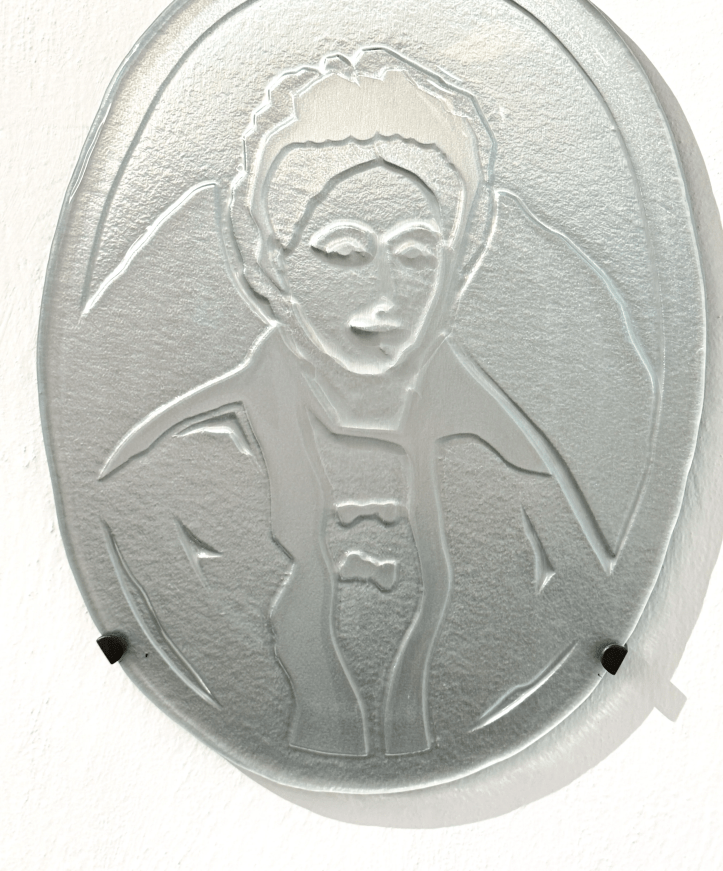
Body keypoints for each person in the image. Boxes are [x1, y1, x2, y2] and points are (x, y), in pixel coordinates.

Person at [100, 47, 614, 758]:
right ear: (267, 265)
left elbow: (569, 619)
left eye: (416, 254)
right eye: (343, 253)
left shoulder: (517, 478)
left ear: (458, 268)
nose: (384, 296)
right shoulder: (165, 480)